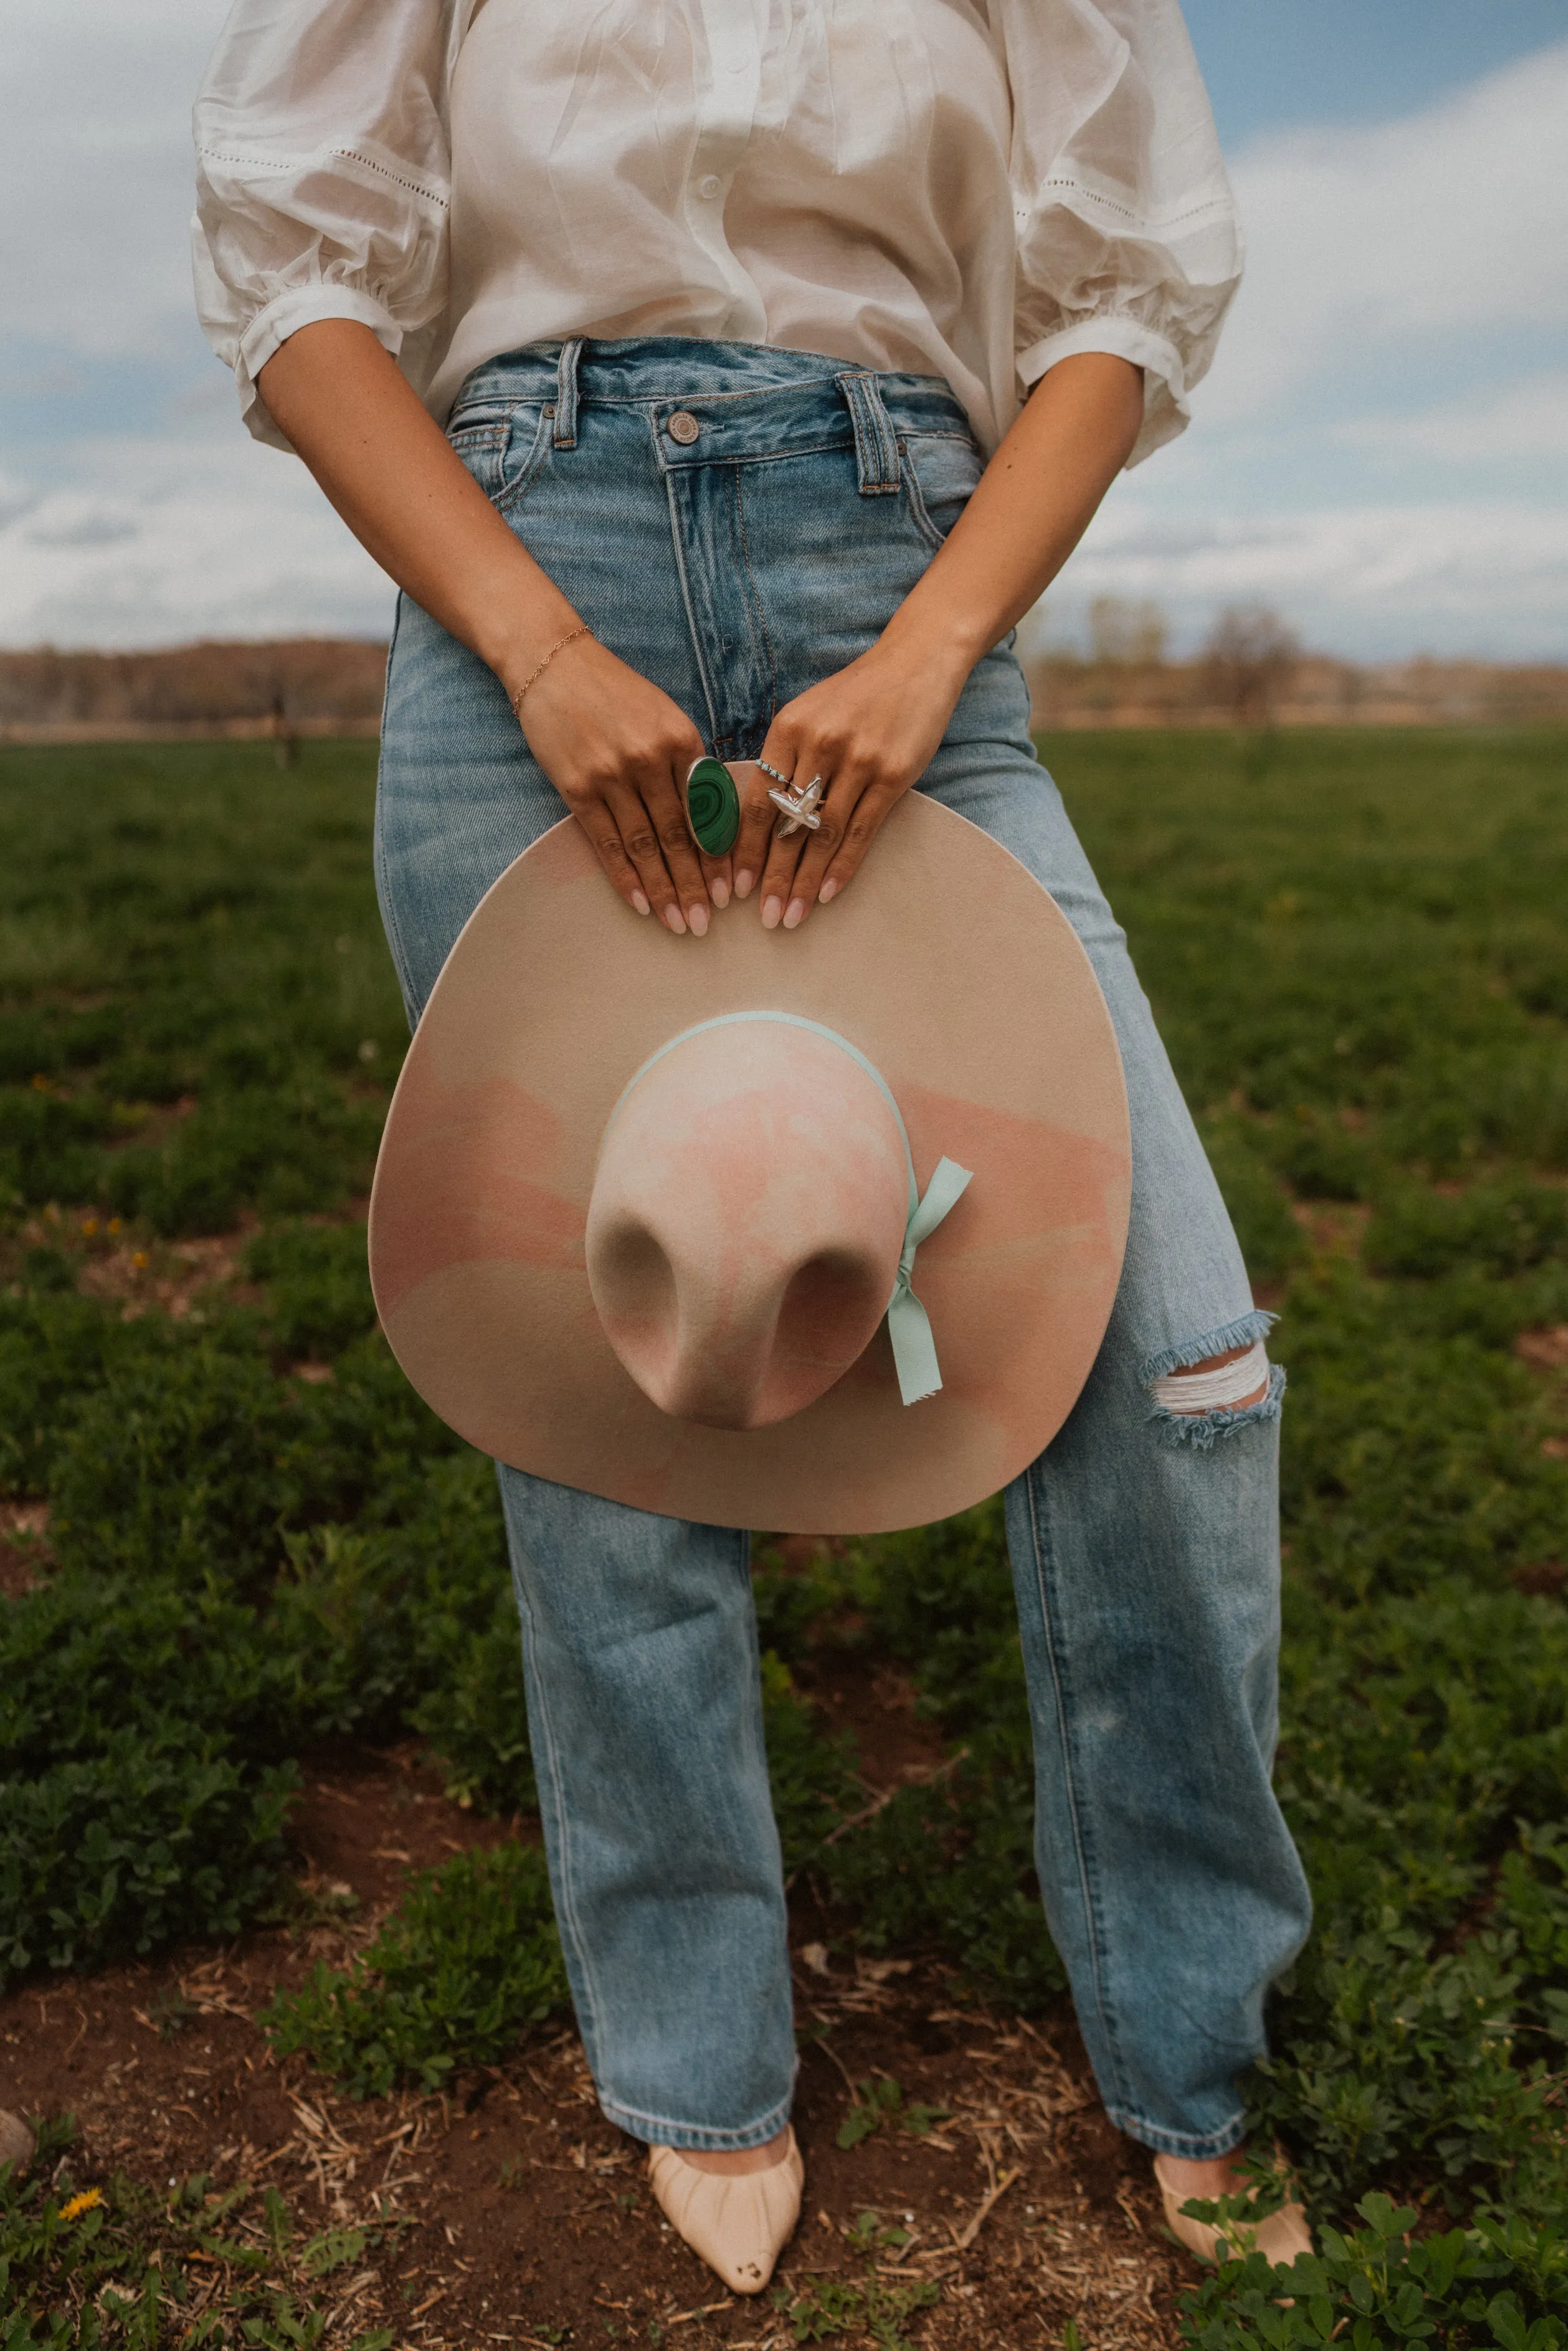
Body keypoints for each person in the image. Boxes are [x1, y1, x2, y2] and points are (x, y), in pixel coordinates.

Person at [193, 0, 1315, 2295]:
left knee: (1181, 1358)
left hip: (908, 591)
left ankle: (1201, 2039)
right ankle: (696, 2047)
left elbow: (1115, 301)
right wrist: (530, 638)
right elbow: (297, 270)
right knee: (613, 1376)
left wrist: (934, 643)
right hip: (529, 579)